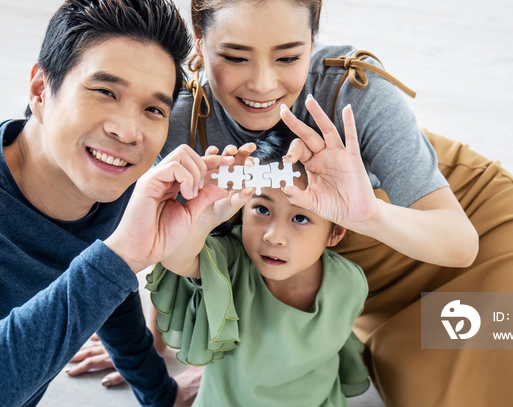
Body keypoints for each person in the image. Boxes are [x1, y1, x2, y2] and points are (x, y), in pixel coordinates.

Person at [74, 0, 513, 406]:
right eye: (234, 56)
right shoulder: (176, 121)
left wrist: (365, 212)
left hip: (457, 232)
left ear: (314, 38)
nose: (263, 84)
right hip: (343, 282)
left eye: (288, 56)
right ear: (198, 39)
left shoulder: (352, 90)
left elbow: (458, 242)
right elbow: (158, 233)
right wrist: (165, 342)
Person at [0, 0, 233, 407]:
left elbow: (100, 271)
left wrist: (161, 394)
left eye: (153, 109)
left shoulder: (113, 178)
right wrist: (119, 257)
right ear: (41, 91)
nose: (127, 131)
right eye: (105, 92)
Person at [147, 120, 371, 406]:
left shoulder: (350, 282)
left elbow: (334, 351)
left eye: (300, 218)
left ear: (335, 232)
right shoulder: (231, 259)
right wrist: (205, 215)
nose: (274, 236)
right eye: (262, 209)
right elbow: (177, 258)